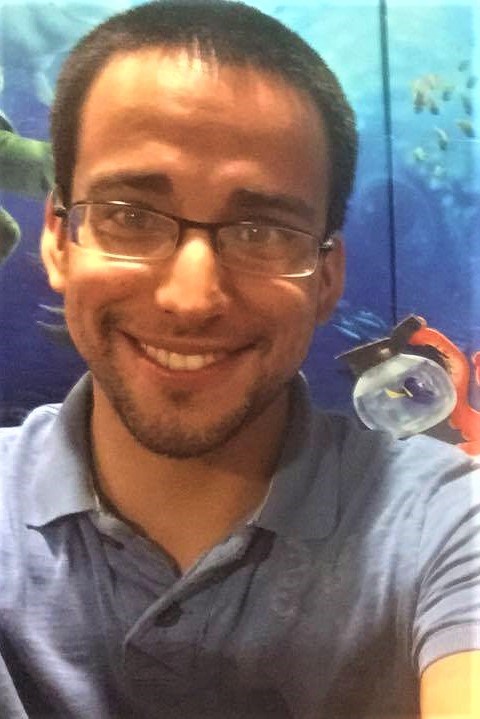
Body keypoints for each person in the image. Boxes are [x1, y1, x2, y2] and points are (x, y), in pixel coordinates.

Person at [1, 1, 479, 717]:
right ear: (57, 239)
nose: (191, 299)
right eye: (130, 216)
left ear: (327, 277)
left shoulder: (448, 523)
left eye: (261, 231)